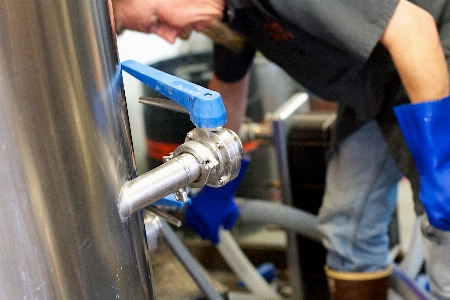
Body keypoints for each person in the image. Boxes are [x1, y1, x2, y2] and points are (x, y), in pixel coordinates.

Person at [112, 0, 450, 299]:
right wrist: (219, 186)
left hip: (433, 64)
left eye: (156, 20)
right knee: (348, 228)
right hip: (376, 87)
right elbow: (227, 91)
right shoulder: (234, 15)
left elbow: (413, 30)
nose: (171, 38)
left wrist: (441, 163)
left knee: (444, 227)